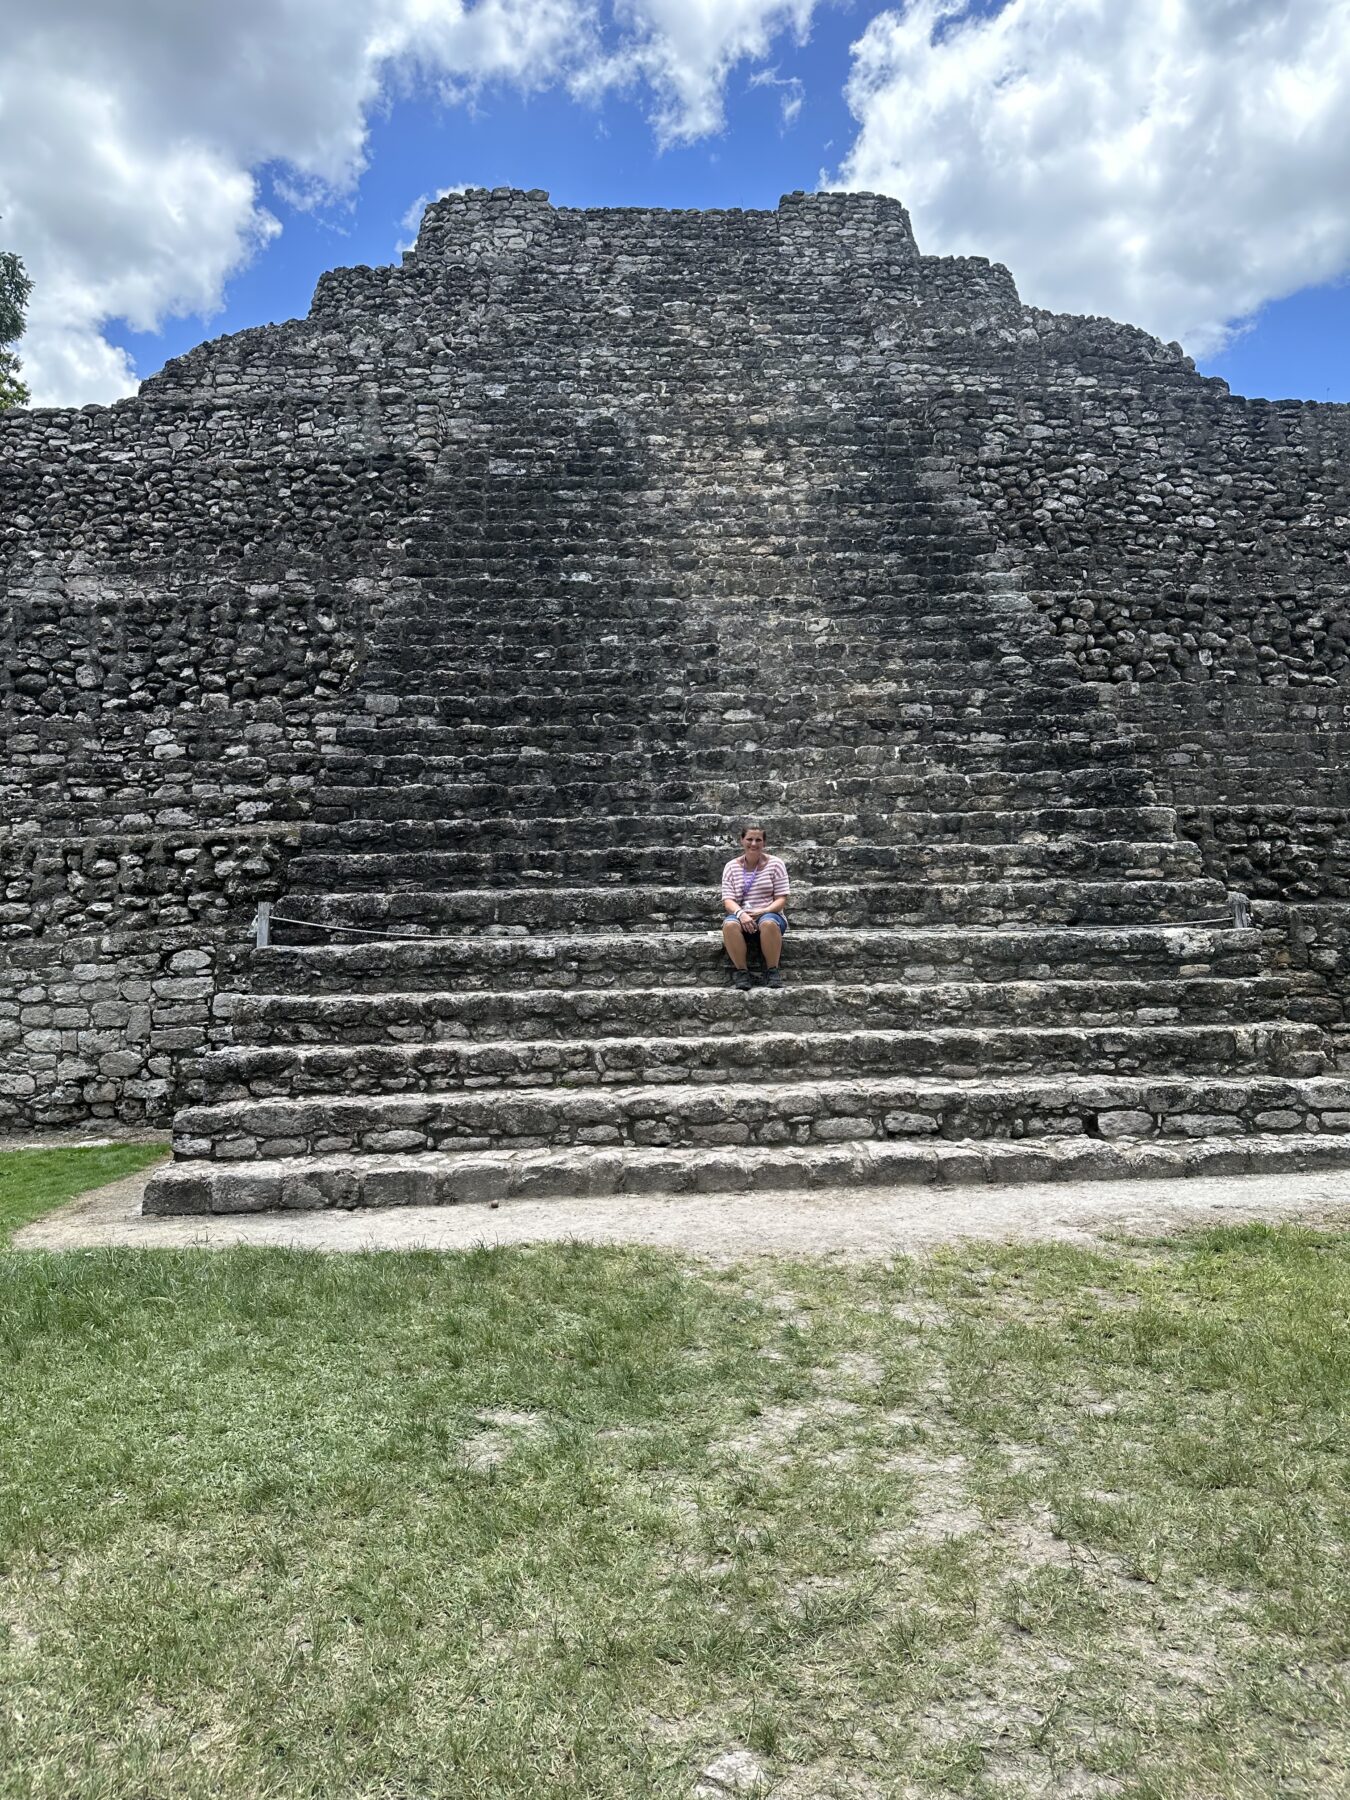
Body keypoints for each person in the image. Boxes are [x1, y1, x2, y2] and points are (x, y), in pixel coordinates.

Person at [720, 824, 790, 991]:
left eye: (758, 840)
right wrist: (741, 914)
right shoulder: (731, 866)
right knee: (729, 926)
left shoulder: (776, 864)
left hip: (769, 913)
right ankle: (742, 972)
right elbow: (728, 900)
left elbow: (781, 899)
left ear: (764, 843)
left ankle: (772, 970)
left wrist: (764, 911)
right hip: (741, 914)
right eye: (749, 839)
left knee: (768, 923)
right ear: (742, 841)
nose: (753, 843)